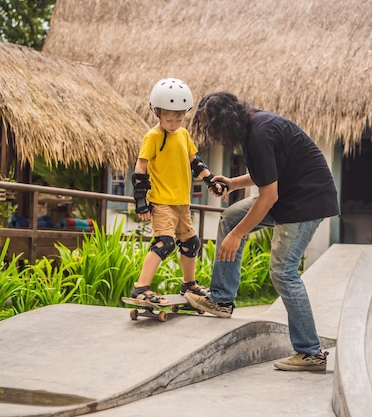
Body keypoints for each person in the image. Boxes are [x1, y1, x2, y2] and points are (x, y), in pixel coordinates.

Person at [184, 91, 340, 372]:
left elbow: (268, 196)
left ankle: (311, 353)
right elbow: (267, 175)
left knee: (283, 271)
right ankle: (221, 300)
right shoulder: (251, 129)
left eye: (210, 126)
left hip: (307, 202)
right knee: (231, 217)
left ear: (224, 120)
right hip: (288, 196)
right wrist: (232, 183)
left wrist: (237, 236)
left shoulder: (261, 133)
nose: (210, 133)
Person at [128, 79, 226, 305]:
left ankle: (188, 284)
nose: (173, 124)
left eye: (178, 119)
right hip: (161, 202)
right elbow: (140, 167)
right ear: (157, 113)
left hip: (182, 202)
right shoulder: (152, 137)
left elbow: (195, 162)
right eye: (168, 119)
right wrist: (141, 200)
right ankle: (141, 288)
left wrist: (210, 180)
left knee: (191, 243)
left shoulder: (182, 135)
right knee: (165, 243)